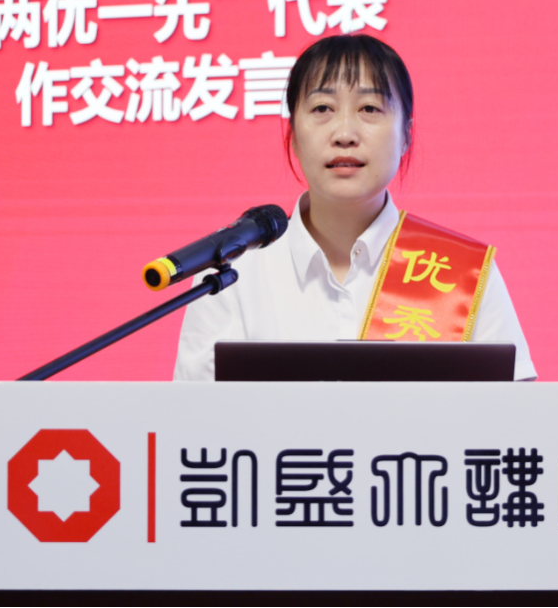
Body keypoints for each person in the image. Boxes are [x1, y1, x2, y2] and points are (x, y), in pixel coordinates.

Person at [174, 35, 536, 381]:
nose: (344, 133)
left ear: (406, 135)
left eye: (369, 108)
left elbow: (515, 417)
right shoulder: (232, 273)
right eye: (322, 108)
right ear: (293, 136)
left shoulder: (464, 272)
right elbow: (192, 417)